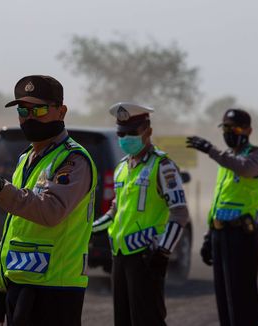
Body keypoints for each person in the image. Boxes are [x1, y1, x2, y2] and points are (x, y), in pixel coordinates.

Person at [0, 75, 97, 326]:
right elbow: (14, 230)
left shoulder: (73, 160)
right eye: (23, 110)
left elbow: (50, 211)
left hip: (56, 290)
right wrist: (0, 289)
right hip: (21, 285)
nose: (29, 117)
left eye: (40, 109)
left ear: (61, 111)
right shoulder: (26, 158)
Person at [92, 102, 189, 326]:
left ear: (148, 131)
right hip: (119, 255)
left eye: (131, 133)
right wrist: (87, 229)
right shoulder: (121, 168)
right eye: (121, 133)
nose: (125, 137)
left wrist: (163, 252)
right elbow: (114, 213)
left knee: (147, 320)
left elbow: (179, 213)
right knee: (123, 320)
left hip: (147, 256)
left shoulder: (163, 166)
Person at [186, 108, 258, 326]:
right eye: (225, 128)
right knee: (224, 297)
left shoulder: (257, 156)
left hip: (242, 234)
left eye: (235, 128)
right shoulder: (226, 160)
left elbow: (245, 169)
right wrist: (208, 236)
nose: (229, 132)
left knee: (242, 296)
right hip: (221, 234)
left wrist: (211, 150)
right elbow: (218, 202)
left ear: (248, 130)